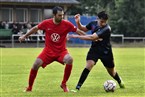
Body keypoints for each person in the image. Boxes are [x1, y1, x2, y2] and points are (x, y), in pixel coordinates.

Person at [19, 6, 85, 92]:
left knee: (69, 59)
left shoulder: (67, 24)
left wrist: (91, 38)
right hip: (48, 51)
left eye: (62, 15)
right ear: (54, 15)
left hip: (61, 51)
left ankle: (64, 84)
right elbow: (35, 28)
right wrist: (25, 36)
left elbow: (78, 31)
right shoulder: (46, 23)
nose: (61, 17)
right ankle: (29, 88)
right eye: (59, 15)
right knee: (35, 64)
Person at [69, 11, 125, 91]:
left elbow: (92, 37)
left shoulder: (107, 28)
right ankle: (78, 87)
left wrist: (77, 36)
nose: (103, 23)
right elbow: (83, 29)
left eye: (105, 22)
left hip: (106, 52)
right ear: (97, 19)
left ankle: (119, 81)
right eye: (101, 21)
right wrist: (78, 22)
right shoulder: (93, 23)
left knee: (112, 72)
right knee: (89, 65)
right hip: (94, 50)